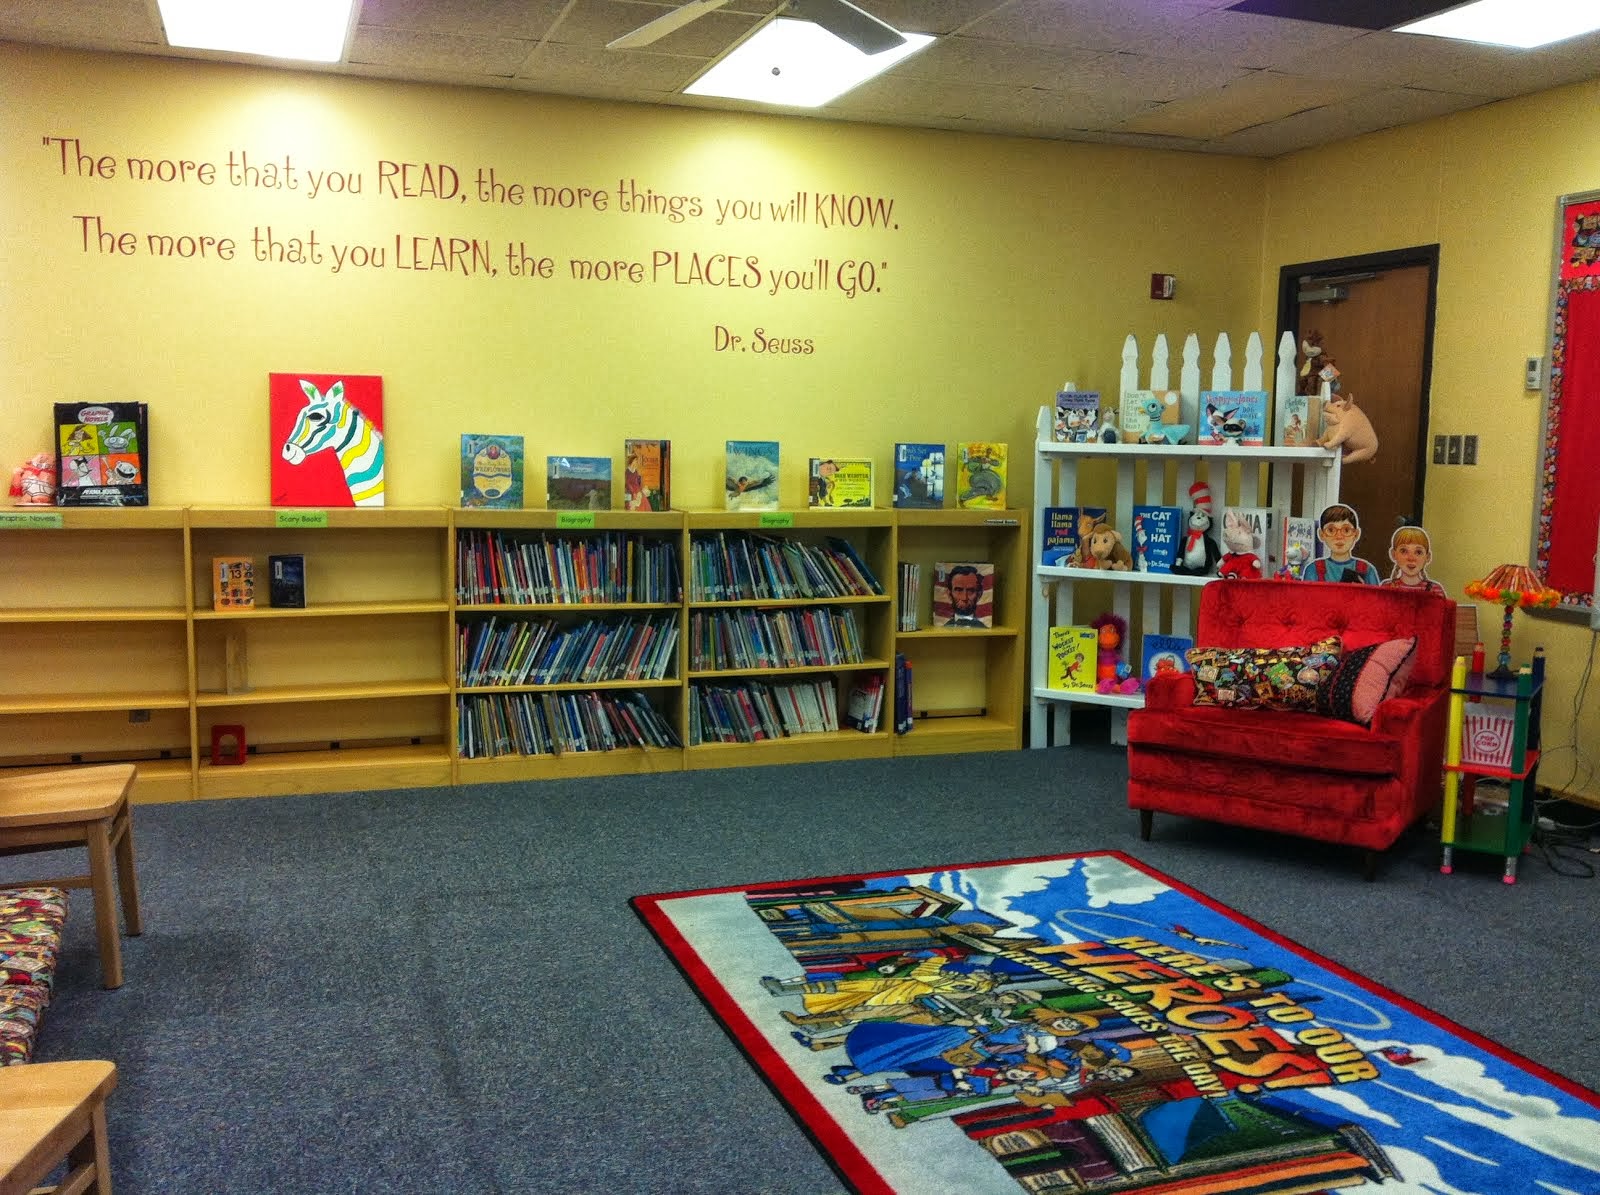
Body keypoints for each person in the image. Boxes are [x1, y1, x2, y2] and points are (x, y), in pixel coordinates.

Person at [1296, 503, 1379, 583]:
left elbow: (1376, 597)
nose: (1339, 536)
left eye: (1346, 530)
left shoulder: (1367, 570)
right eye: (1331, 530)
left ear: (1356, 534)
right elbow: (1307, 596)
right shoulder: (1313, 569)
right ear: (1321, 535)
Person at [1384, 525, 1446, 595]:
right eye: (1404, 551)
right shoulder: (1386, 588)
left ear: (1428, 557)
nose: (1411, 558)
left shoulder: (1435, 590)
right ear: (1393, 554)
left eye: (1418, 552)